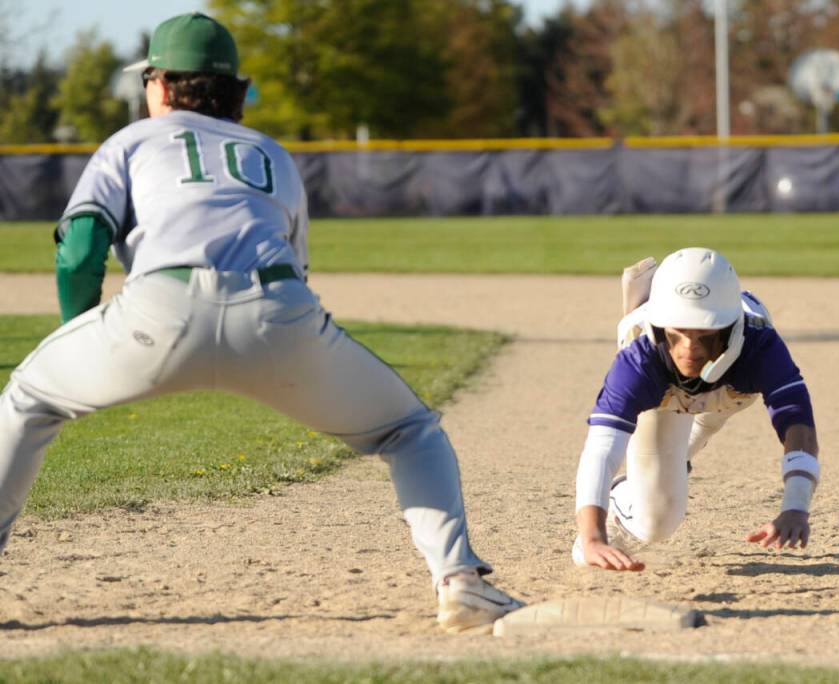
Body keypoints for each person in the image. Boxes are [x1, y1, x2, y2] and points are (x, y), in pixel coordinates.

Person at [0, 12, 522, 632]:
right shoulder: (271, 153)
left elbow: (80, 249)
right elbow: (296, 270)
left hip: (157, 313)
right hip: (279, 313)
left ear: (161, 86)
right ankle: (459, 580)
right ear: (238, 91)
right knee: (410, 430)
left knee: (30, 401)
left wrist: (79, 343)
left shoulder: (132, 140)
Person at [572, 247, 820, 571]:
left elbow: (797, 422)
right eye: (678, 331)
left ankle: (674, 460)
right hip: (664, 399)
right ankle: (625, 495)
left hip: (730, 393)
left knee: (703, 427)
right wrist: (591, 535)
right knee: (657, 524)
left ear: (733, 327)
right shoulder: (638, 361)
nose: (690, 348)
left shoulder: (761, 346)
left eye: (705, 333)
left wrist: (796, 505)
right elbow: (602, 449)